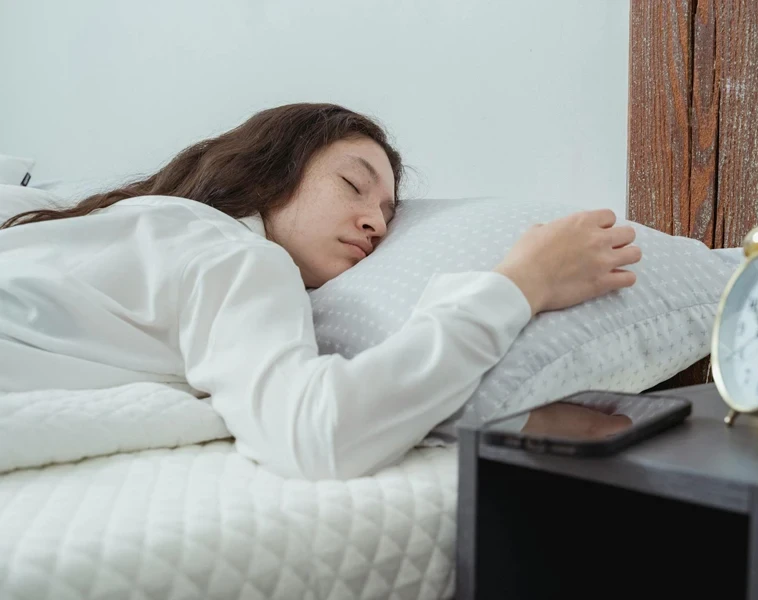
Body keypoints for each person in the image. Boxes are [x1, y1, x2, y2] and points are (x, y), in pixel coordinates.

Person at [0, 103, 641, 480]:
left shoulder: (129, 222)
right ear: (272, 169)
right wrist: (519, 284)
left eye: (389, 213)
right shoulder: (231, 256)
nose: (375, 222)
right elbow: (317, 432)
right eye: (353, 185)